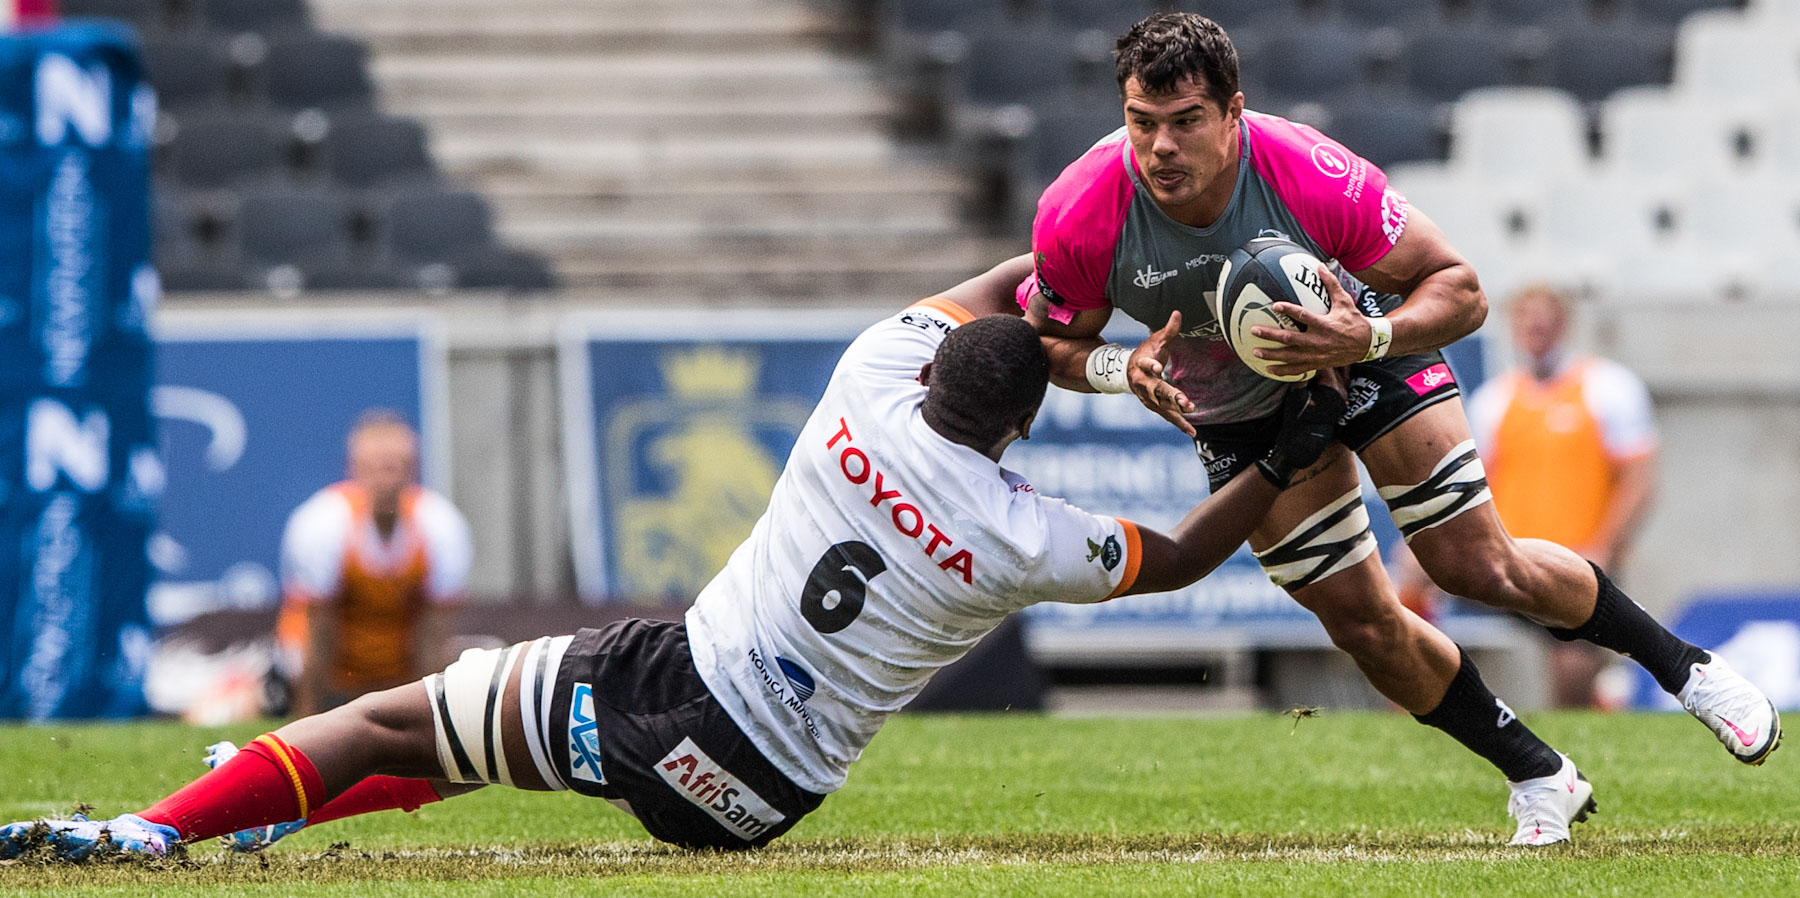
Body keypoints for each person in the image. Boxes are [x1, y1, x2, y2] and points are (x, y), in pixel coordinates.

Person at [0, 256, 1345, 859]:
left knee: (386, 723)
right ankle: (270, 813)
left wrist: (1086, 266)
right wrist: (1287, 444)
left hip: (675, 692)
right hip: (769, 796)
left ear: (934, 370)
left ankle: (151, 828)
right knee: (460, 749)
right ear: (1022, 428)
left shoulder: (867, 377)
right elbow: (1183, 556)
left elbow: (1004, 286)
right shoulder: (1021, 532)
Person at [1019, 12, 1778, 846]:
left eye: (1185, 121)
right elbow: (1046, 343)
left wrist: (1368, 337)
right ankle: (1538, 774)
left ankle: (1690, 671)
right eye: (1142, 122)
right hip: (1236, 410)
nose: (1160, 147)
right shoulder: (1081, 208)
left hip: (1364, 343)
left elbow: (1461, 288)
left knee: (1476, 564)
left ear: (1234, 112)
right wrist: (1115, 366)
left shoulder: (1306, 170)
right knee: (1361, 624)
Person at [1467, 286, 1660, 707]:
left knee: (1572, 651)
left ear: (1564, 325)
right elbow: (1478, 483)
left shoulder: (1607, 387)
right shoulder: (1493, 400)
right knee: (1416, 577)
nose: (1536, 331)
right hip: (1512, 556)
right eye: (1526, 321)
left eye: (1545, 321)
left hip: (1579, 555)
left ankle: (1580, 722)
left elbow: (1639, 479)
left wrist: (1606, 546)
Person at [275, 411, 472, 716]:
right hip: (333, 672)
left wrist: (428, 716)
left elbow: (434, 633)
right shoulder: (321, 524)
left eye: (395, 468)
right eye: (376, 468)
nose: (386, 482)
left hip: (399, 674)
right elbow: (318, 632)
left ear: (413, 470)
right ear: (354, 469)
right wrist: (308, 716)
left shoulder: (442, 527)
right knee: (290, 656)